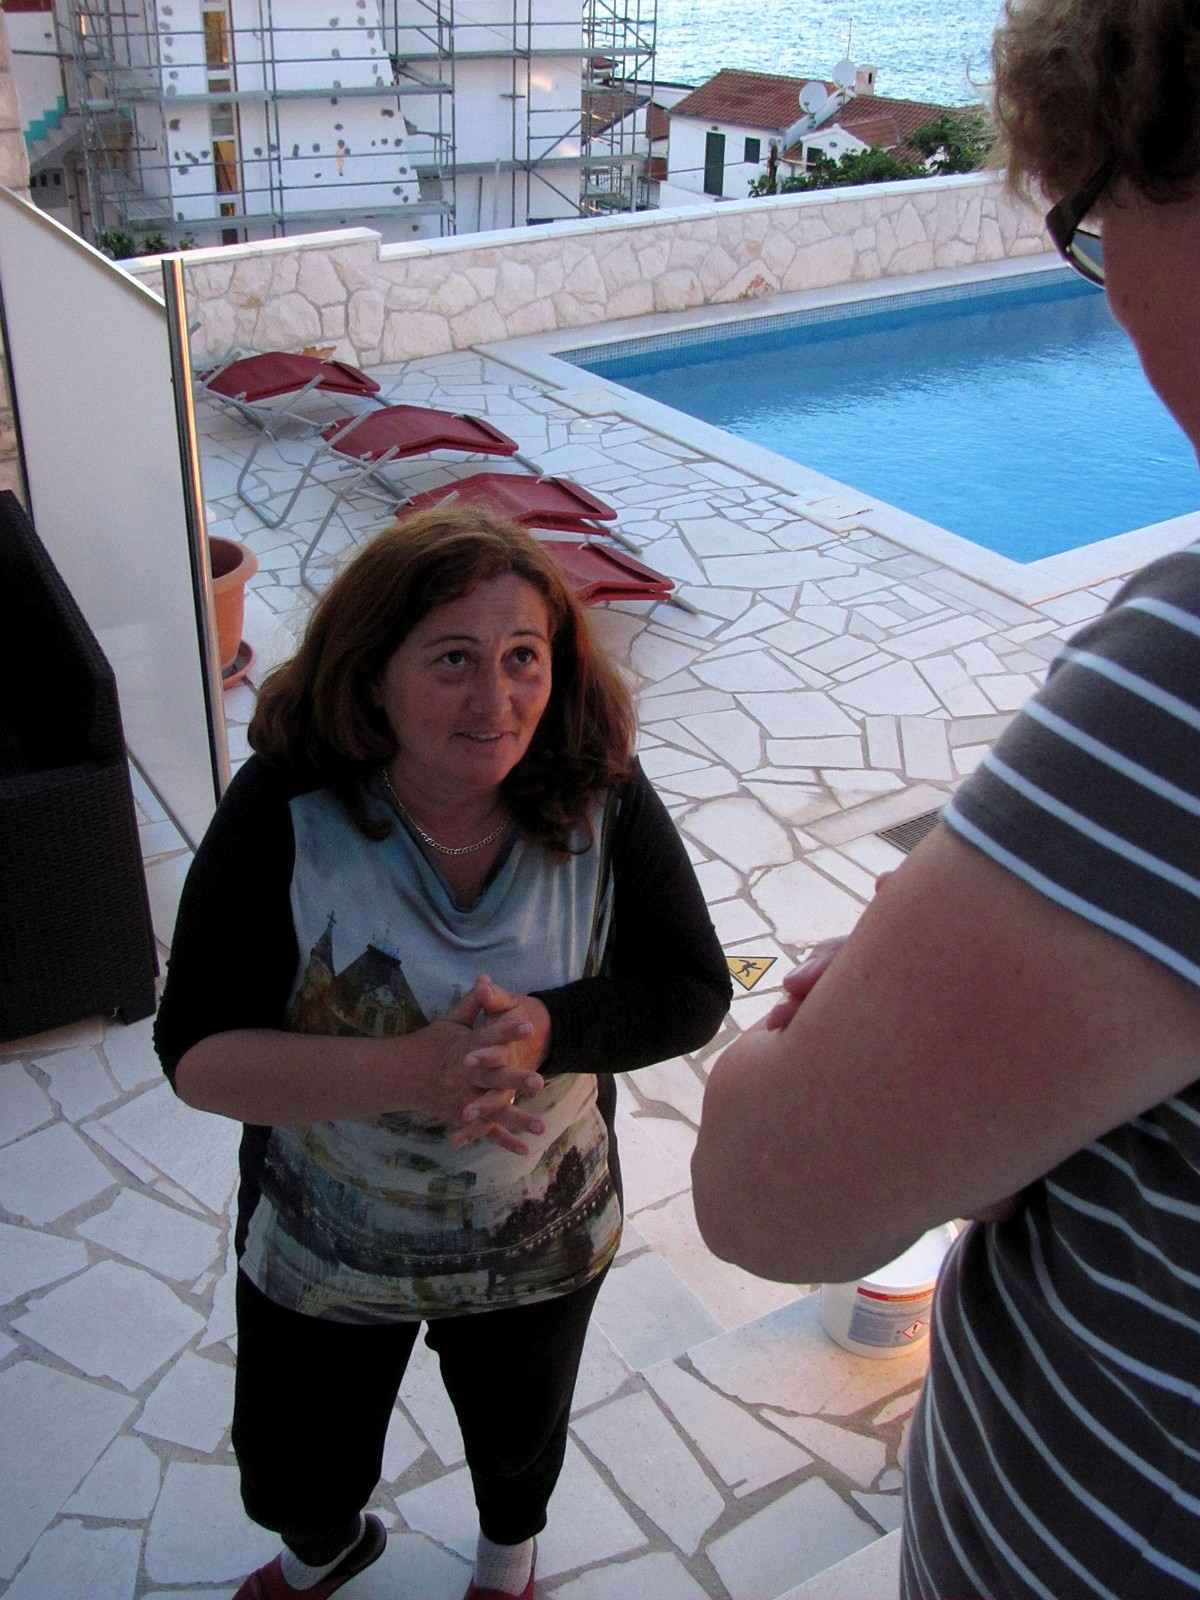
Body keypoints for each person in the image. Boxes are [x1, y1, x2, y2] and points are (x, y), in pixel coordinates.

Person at [691, 3, 1200, 1596]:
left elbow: (771, 1196)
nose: (1110, 289)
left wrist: (838, 1028)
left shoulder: (1187, 701)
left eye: (1094, 216)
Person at [155, 506, 730, 1600]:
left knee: (519, 1443)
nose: (497, 699)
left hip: (538, 1230)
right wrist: (408, 1071)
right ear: (373, 673)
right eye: (454, 659)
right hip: (327, 1239)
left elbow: (692, 989)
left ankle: (507, 1565)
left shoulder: (601, 790)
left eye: (523, 657)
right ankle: (323, 1549)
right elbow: (194, 1053)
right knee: (295, 1465)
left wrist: (550, 1029)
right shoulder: (286, 806)